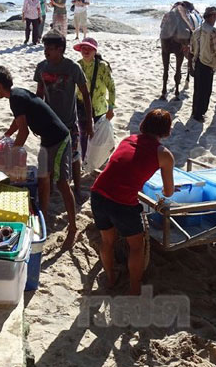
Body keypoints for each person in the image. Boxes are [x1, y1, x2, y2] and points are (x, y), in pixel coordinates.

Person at [0, 65, 76, 247]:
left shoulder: (16, 98)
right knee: (44, 179)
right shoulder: (17, 94)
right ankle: (43, 216)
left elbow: (24, 132)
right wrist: (7, 136)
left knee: (61, 183)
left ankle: (73, 228)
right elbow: (19, 122)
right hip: (47, 139)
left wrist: (10, 154)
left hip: (58, 139)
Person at [91, 109, 175, 295]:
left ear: (144, 123)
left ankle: (111, 279)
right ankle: (135, 288)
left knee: (107, 241)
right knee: (136, 246)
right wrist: (166, 190)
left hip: (98, 193)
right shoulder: (164, 154)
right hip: (122, 203)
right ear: (166, 130)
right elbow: (168, 192)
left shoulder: (128, 140)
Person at [34, 30, 94, 207]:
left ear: (60, 49)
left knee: (74, 157)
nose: (46, 52)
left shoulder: (72, 67)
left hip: (69, 123)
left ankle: (76, 189)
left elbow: (85, 94)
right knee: (49, 156)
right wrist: (38, 120)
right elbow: (39, 95)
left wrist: (89, 122)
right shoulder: (41, 67)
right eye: (45, 48)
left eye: (50, 48)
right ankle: (51, 189)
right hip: (49, 123)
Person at [74, 37, 115, 160]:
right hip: (81, 106)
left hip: (99, 108)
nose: (86, 51)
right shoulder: (78, 65)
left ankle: (100, 158)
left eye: (89, 49)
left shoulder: (103, 66)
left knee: (99, 136)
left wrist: (111, 108)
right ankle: (85, 160)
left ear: (94, 51)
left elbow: (111, 88)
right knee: (83, 133)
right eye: (83, 48)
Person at [190, 6, 216, 122]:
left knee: (197, 89)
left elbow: (192, 49)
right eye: (215, 16)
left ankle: (195, 112)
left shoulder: (197, 30)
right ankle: (200, 114)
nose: (215, 19)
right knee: (206, 91)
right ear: (212, 17)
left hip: (198, 61)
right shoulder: (213, 31)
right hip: (208, 63)